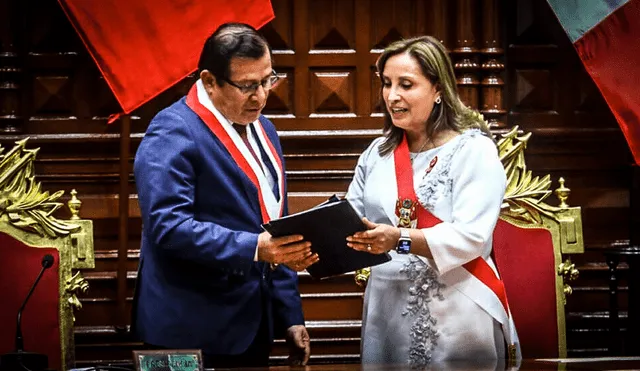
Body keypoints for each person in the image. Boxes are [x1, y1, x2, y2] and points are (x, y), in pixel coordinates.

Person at [132, 22, 319, 369]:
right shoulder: (172, 130)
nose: (261, 96)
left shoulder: (264, 127)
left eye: (268, 80)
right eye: (248, 86)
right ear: (209, 81)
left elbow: (275, 226)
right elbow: (168, 227)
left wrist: (290, 314)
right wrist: (253, 247)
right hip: (186, 329)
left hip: (251, 327)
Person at [344, 36, 521, 367]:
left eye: (406, 84)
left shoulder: (473, 151)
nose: (392, 95)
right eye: (387, 84)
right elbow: (350, 218)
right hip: (387, 310)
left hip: (458, 307)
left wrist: (401, 238)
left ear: (438, 89)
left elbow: (472, 237)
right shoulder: (376, 153)